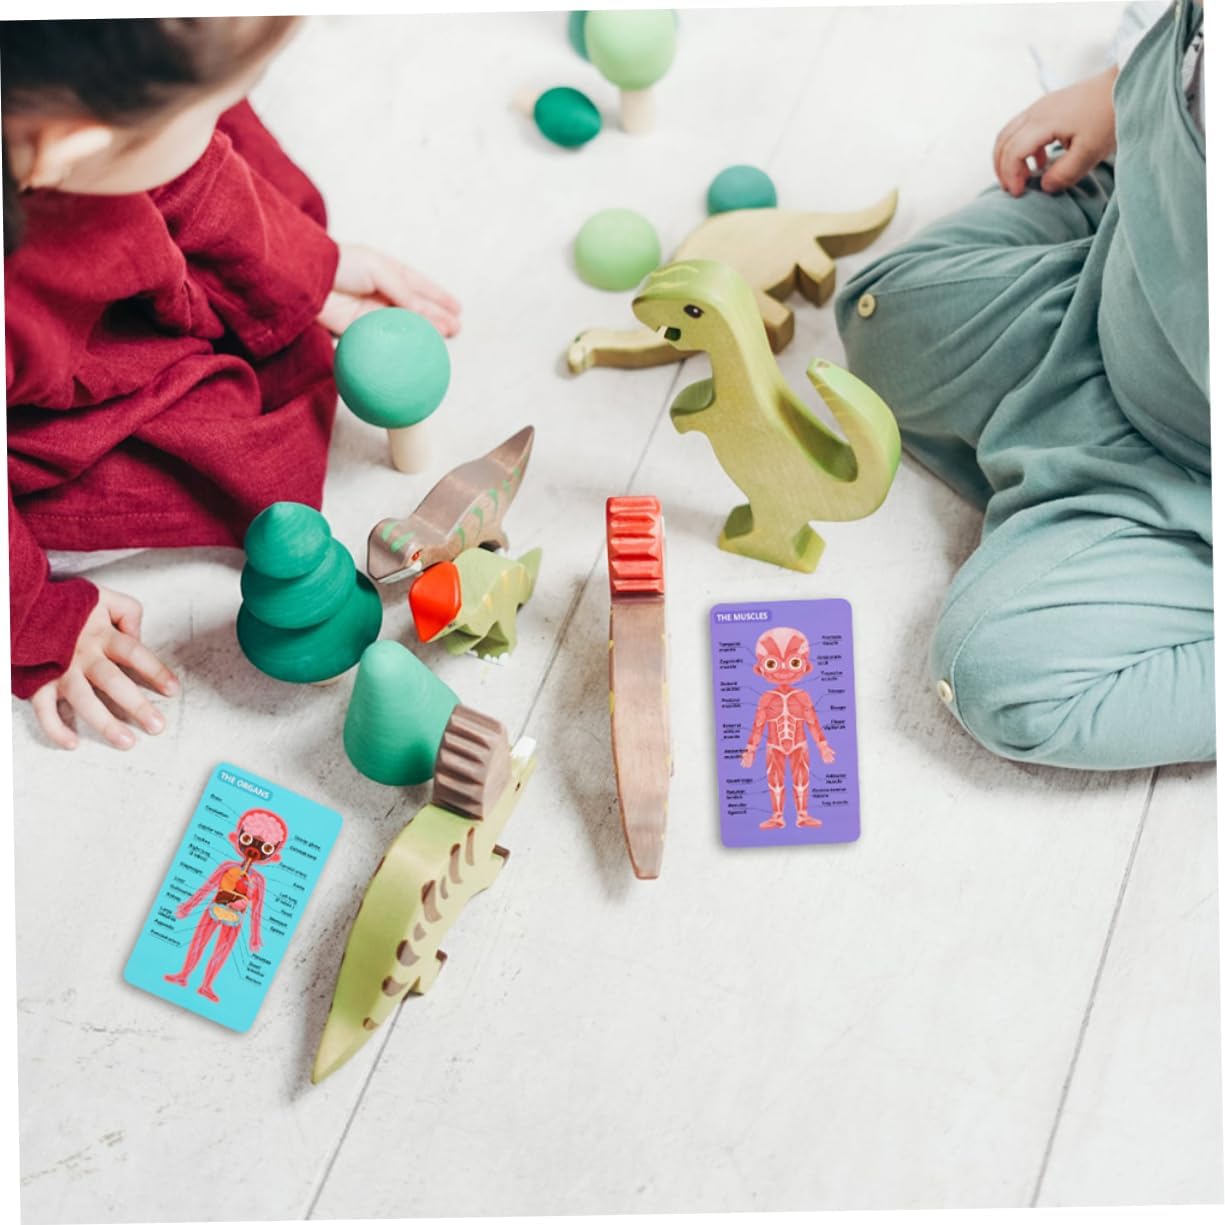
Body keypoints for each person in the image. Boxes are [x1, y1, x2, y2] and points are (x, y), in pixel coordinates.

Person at [3, 16, 461, 751]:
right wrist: (33, 616)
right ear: (72, 149)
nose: (221, 122)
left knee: (207, 168)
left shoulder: (65, 105)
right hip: (39, 384)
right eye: (208, 111)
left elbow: (186, 176)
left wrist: (302, 269)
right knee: (237, 450)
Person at [835, 0, 1209, 770]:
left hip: (1195, 480)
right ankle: (1105, 185)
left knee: (1000, 676)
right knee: (880, 318)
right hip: (1114, 300)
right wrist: (1120, 92)